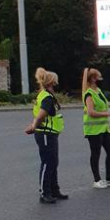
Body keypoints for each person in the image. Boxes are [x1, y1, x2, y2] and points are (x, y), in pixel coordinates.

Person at [24, 67, 67, 204]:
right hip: (45, 133)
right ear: (52, 82)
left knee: (53, 161)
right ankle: (45, 192)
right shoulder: (47, 97)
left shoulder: (45, 94)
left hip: (50, 133)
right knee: (48, 162)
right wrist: (34, 126)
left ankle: (54, 189)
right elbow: (42, 114)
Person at [83, 68, 110, 189]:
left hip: (103, 128)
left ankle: (109, 178)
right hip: (93, 130)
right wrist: (106, 115)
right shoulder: (89, 93)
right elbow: (91, 112)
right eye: (99, 77)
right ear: (93, 79)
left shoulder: (98, 91)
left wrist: (107, 124)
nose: (101, 79)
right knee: (96, 154)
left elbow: (102, 107)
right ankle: (97, 180)